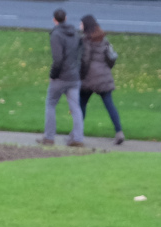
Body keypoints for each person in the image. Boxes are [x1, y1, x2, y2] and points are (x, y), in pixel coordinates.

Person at [42, 7, 85, 147]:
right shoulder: (75, 34)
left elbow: (58, 59)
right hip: (74, 76)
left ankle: (49, 137)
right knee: (76, 108)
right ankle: (78, 138)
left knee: (51, 104)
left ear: (54, 20)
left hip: (61, 77)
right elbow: (80, 53)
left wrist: (53, 75)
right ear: (66, 18)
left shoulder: (56, 35)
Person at [78, 15, 123, 145]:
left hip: (89, 78)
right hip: (104, 77)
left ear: (86, 26)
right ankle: (119, 131)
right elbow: (111, 58)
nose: (80, 26)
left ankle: (77, 134)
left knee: (81, 105)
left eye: (81, 24)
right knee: (109, 105)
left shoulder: (86, 40)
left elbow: (85, 61)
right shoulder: (104, 39)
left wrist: (80, 75)